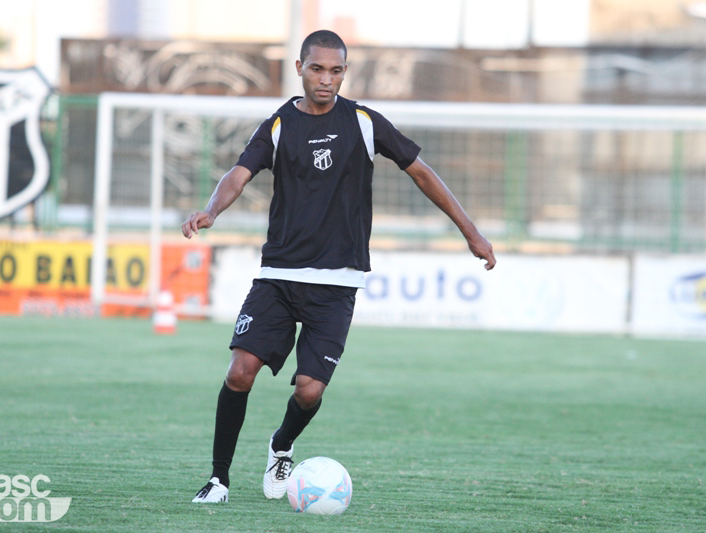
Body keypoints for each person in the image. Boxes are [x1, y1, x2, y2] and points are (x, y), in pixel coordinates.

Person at [183, 30, 496, 504]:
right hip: (279, 276)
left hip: (336, 283)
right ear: (300, 69)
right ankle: (218, 480)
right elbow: (238, 174)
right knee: (240, 372)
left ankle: (281, 444)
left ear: (345, 72)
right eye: (317, 69)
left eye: (335, 71)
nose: (326, 79)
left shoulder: (364, 123)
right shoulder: (279, 125)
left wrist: (470, 232)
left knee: (309, 392)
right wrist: (211, 211)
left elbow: (421, 172)